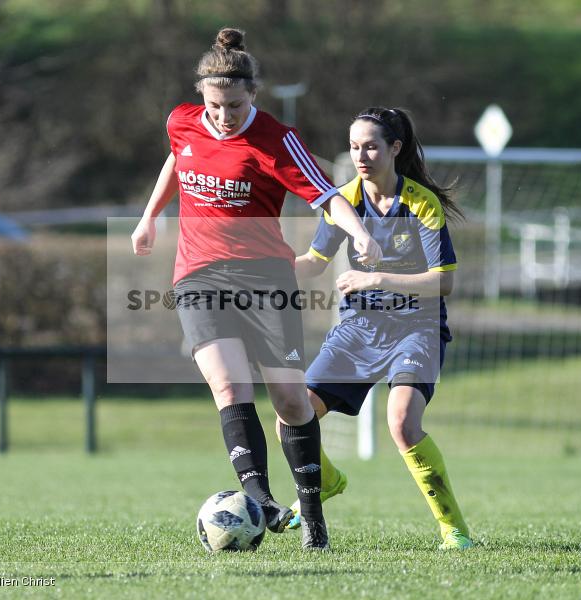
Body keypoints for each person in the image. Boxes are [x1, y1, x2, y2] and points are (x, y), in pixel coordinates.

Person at [130, 28, 383, 550]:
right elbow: (178, 157)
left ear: (253, 95)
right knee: (228, 386)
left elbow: (328, 195)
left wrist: (359, 232)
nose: (224, 116)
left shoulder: (276, 139)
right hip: (198, 274)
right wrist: (149, 217)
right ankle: (262, 501)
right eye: (215, 105)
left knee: (290, 400)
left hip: (267, 278)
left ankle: (313, 518)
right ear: (201, 96)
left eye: (235, 105)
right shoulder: (181, 121)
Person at [281, 106, 473, 550]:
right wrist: (265, 271)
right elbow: (314, 263)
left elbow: (444, 282)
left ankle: (454, 529)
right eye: (354, 147)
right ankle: (326, 480)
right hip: (359, 329)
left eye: (370, 146)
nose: (361, 156)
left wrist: (376, 278)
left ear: (394, 148)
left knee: (402, 422)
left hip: (417, 328)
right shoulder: (343, 201)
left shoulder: (420, 203)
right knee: (290, 413)